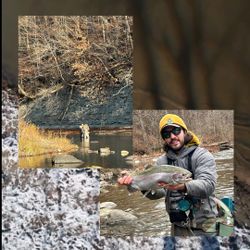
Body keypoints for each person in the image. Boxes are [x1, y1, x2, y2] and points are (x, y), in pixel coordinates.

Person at [118, 114, 218, 236]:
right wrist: (138, 184)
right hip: (178, 226)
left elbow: (208, 185)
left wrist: (183, 186)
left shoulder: (202, 156)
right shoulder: (161, 162)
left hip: (205, 227)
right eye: (167, 134)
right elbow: (159, 193)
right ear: (164, 139)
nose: (172, 136)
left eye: (176, 131)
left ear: (184, 131)